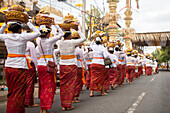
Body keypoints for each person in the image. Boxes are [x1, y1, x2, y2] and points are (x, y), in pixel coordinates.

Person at [0, 20, 41, 113]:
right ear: (19, 30)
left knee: (11, 91)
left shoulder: (6, 37)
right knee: (19, 92)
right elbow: (38, 33)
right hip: (20, 67)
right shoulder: (23, 36)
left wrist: (5, 23)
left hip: (9, 66)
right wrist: (29, 23)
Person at [56, 27, 86, 110]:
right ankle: (68, 104)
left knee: (63, 84)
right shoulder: (72, 42)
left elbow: (56, 36)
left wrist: (58, 30)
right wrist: (78, 30)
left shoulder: (59, 42)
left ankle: (64, 105)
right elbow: (84, 38)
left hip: (62, 65)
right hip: (71, 65)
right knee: (71, 84)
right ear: (69, 36)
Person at [36, 24, 64, 113]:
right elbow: (62, 33)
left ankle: (43, 109)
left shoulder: (38, 40)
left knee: (43, 86)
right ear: (48, 34)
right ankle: (44, 108)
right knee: (48, 87)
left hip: (40, 65)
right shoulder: (50, 41)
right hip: (47, 66)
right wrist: (55, 25)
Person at [24, 40, 39, 108]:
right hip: (29, 63)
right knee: (30, 82)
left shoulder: (20, 41)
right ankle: (29, 102)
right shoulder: (30, 44)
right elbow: (33, 56)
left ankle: (23, 100)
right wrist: (36, 66)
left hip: (21, 63)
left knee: (23, 82)